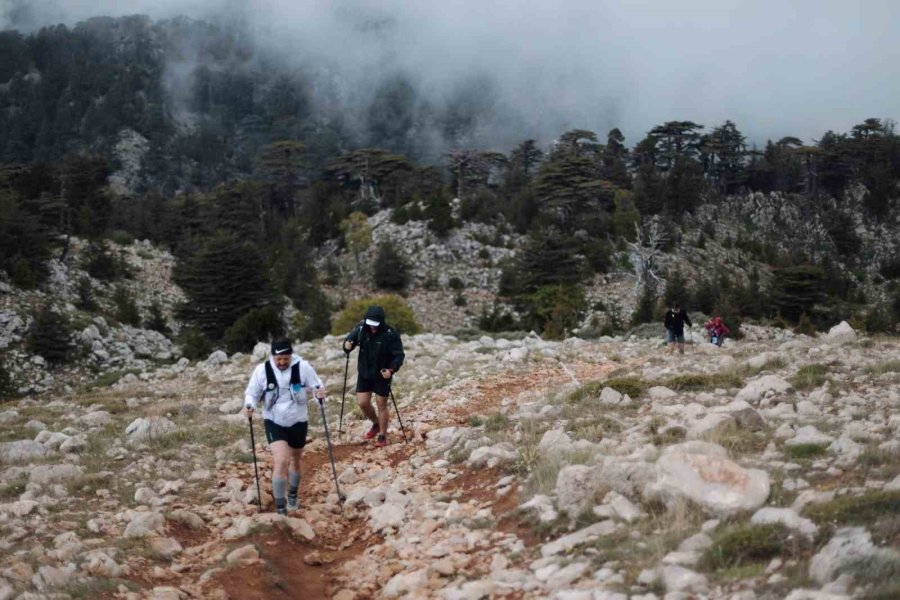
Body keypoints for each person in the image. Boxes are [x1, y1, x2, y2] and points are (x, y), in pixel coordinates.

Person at [243, 338, 325, 515]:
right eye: (278, 359)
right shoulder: (262, 370)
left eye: (285, 359)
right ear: (272, 356)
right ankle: (281, 507)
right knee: (281, 460)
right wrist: (249, 405)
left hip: (298, 419)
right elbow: (252, 393)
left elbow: (316, 386)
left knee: (295, 460)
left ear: (291, 356)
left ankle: (293, 494)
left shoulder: (303, 367)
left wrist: (319, 395)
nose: (281, 363)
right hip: (273, 420)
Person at [342, 305, 405, 448]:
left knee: (381, 404)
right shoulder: (360, 328)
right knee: (363, 403)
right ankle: (376, 423)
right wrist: (346, 346)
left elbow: (399, 355)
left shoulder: (391, 333)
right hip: (364, 372)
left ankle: (382, 435)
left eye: (375, 325)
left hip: (382, 374)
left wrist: (391, 370)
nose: (373, 328)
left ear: (381, 322)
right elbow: (348, 343)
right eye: (370, 324)